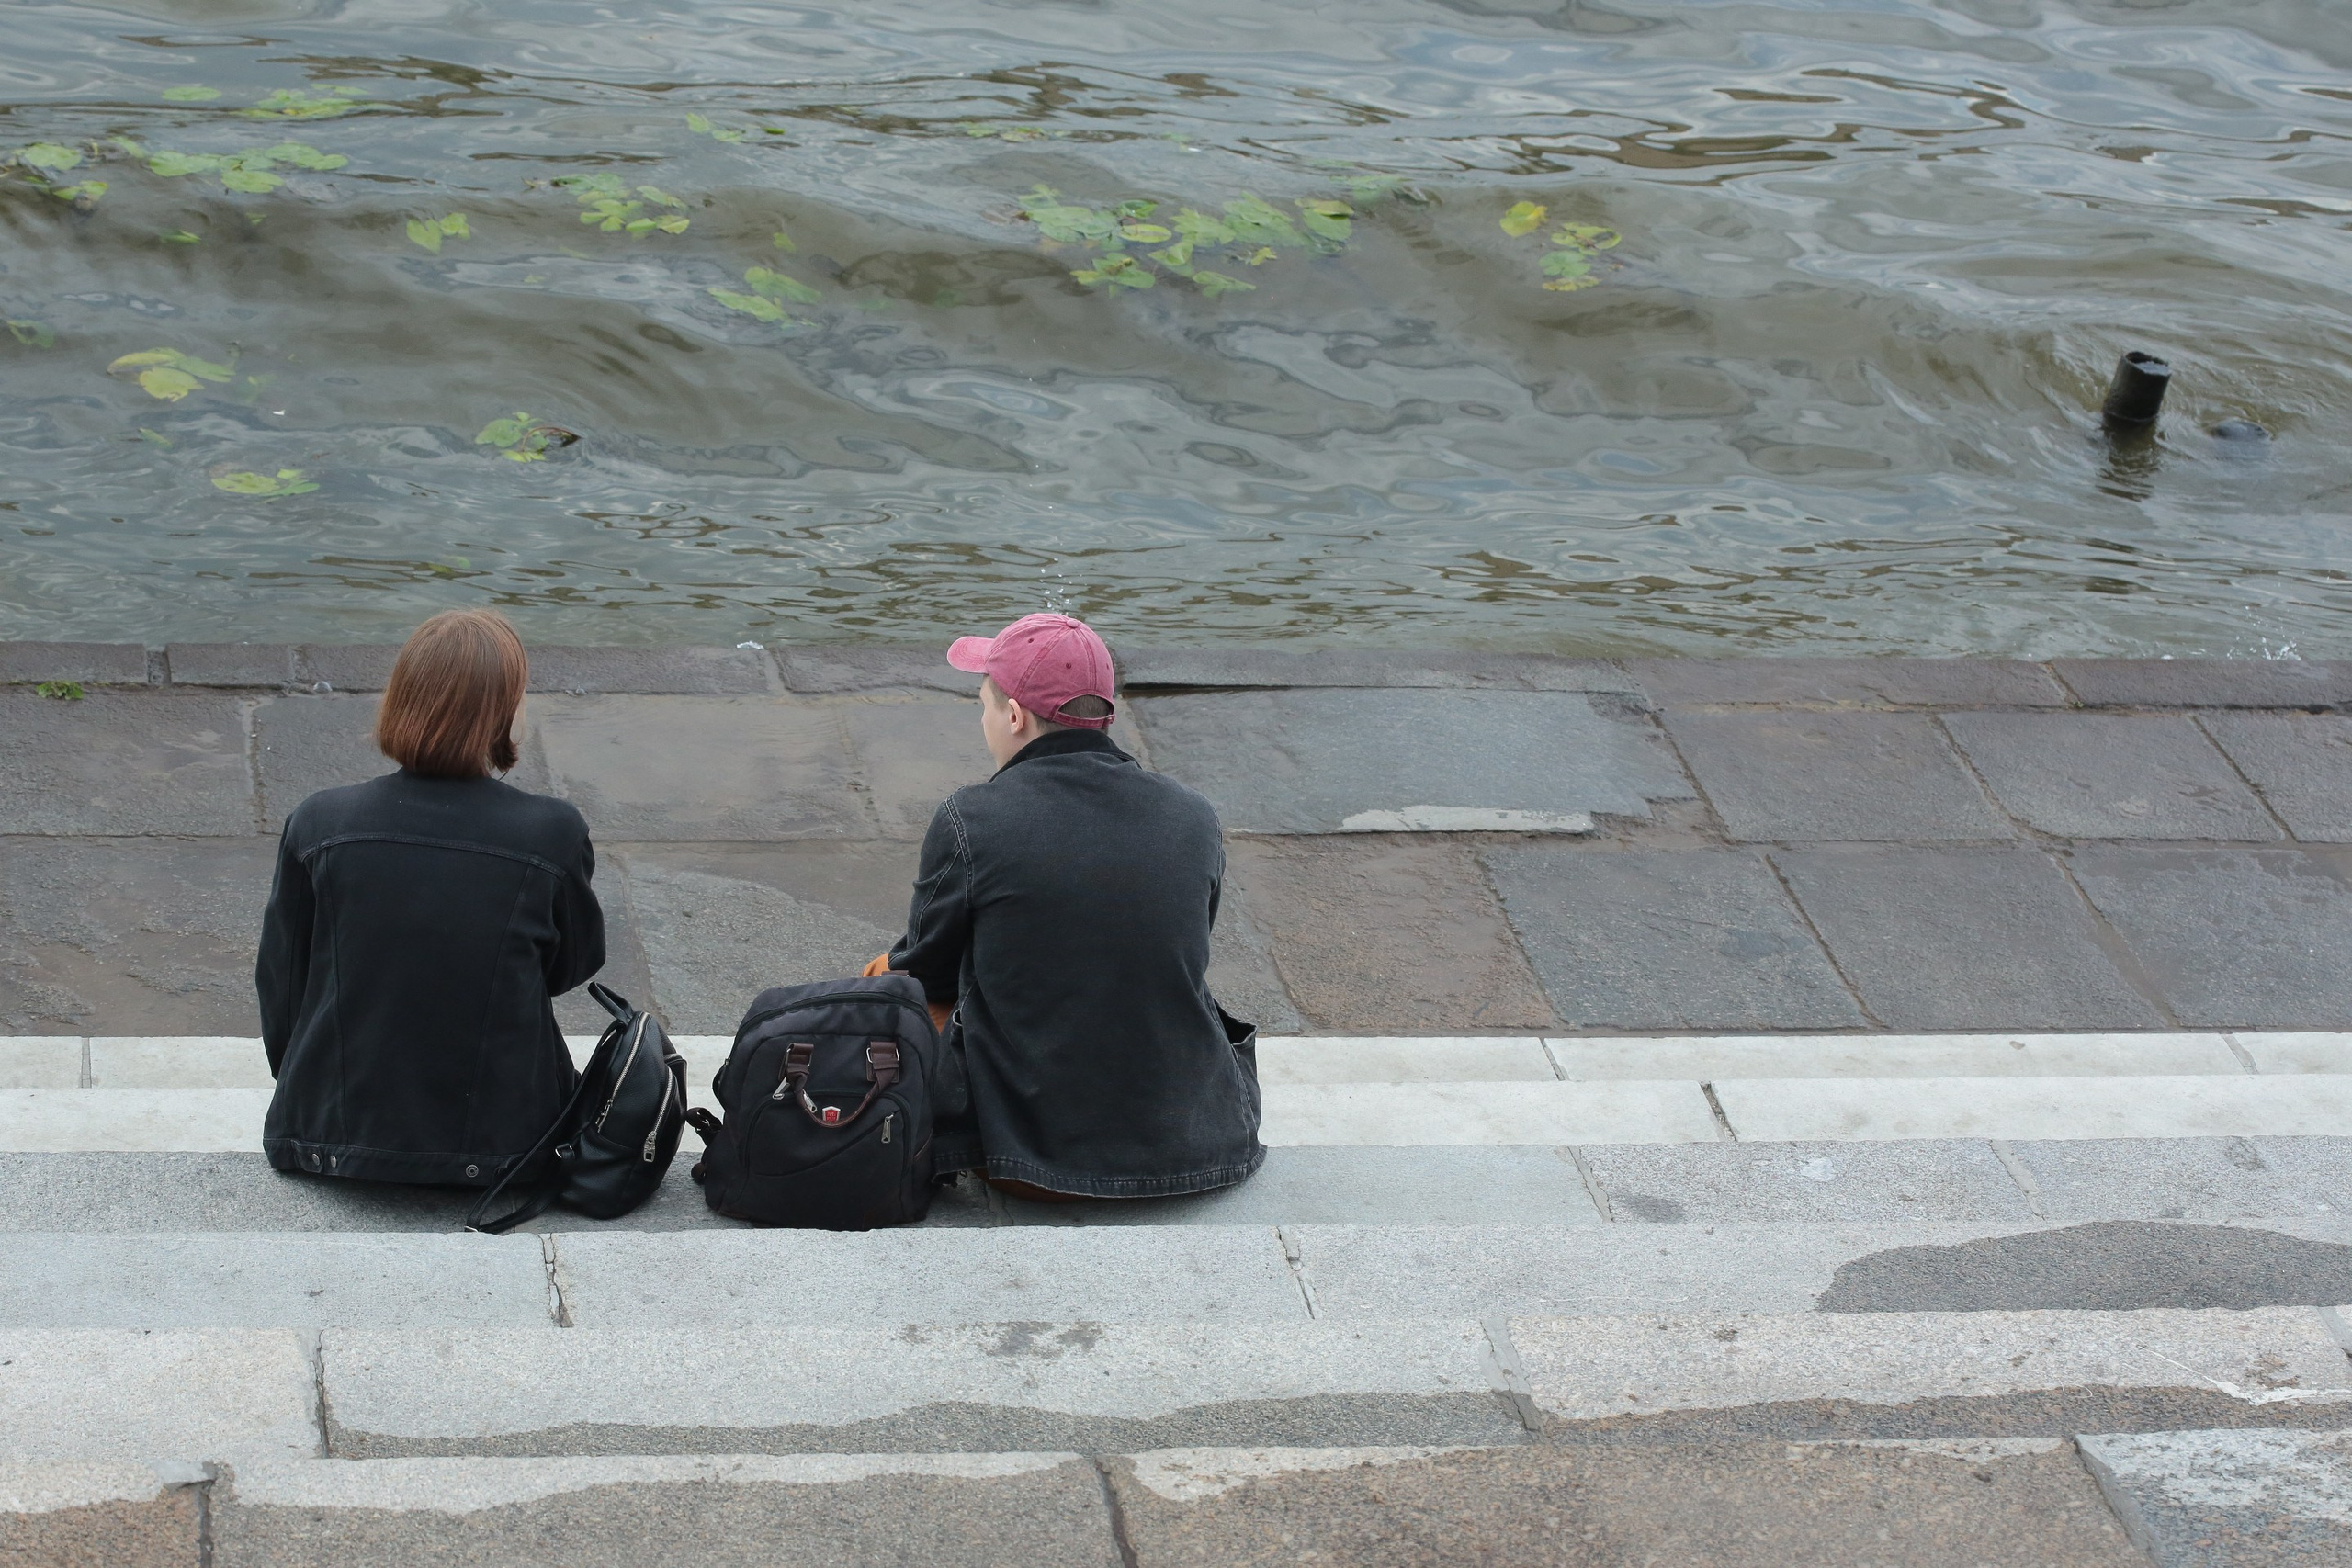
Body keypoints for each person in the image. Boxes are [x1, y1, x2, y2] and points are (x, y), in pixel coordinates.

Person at [874, 612, 1264, 1201]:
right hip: (1200, 1144)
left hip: (1029, 1160)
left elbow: (925, 972)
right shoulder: (1193, 814)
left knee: (888, 983)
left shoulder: (972, 818)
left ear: (1013, 715)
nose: (984, 719)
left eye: (983, 703)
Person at [255, 610, 605, 1187]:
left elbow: (283, 982)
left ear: (401, 699)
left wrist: (307, 1096)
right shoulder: (552, 831)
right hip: (511, 1143)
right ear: (504, 711)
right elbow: (571, 967)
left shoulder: (320, 821)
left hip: (328, 1136)